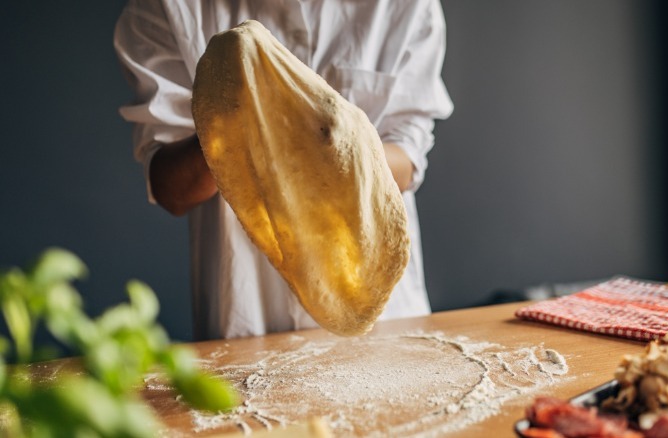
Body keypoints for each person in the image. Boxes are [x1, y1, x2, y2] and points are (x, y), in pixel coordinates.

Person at [114, 0, 453, 340]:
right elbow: (171, 191)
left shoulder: (405, 6)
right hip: (247, 322)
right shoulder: (170, 8)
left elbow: (407, 161)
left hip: (385, 324)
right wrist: (233, 126)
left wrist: (344, 142)